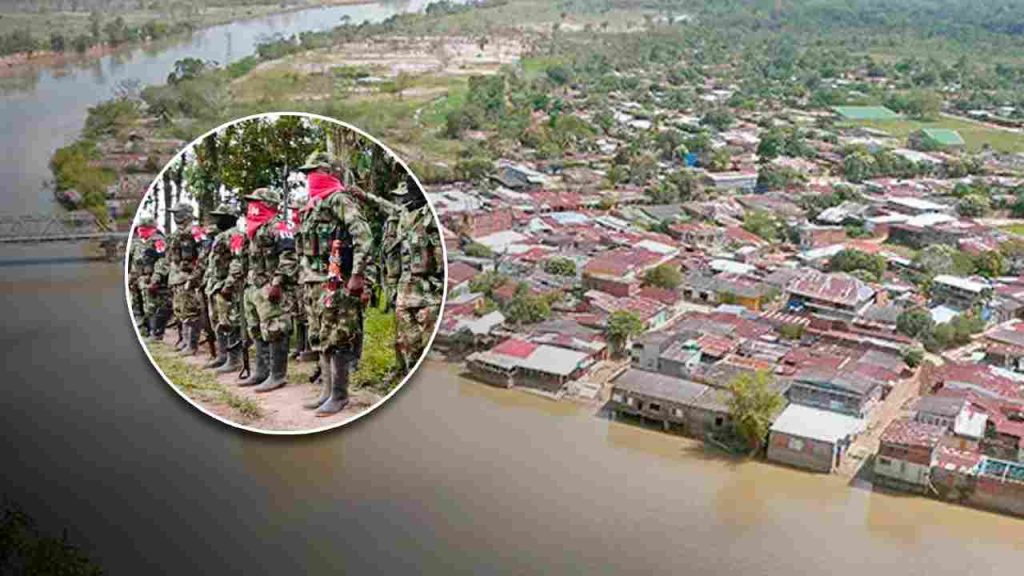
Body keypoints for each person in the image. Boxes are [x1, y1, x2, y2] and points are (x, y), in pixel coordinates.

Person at [295, 151, 372, 416]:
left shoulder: (338, 199)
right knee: (319, 336)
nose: (309, 178)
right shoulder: (312, 205)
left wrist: (358, 274)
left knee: (337, 337)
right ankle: (326, 391)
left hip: (336, 281)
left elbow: (363, 235)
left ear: (327, 172)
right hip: (313, 281)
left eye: (313, 172)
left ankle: (339, 395)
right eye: (307, 174)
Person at [238, 187, 298, 393]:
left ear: (269, 204)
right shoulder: (253, 228)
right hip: (253, 286)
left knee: (276, 329)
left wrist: (278, 282)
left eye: (257, 201)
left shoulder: (279, 225)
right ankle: (261, 372)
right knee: (256, 329)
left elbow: (289, 256)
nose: (252, 206)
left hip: (271, 286)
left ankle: (277, 375)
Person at [386, 181, 443, 373]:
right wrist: (392, 286)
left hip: (429, 291)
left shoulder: (429, 215)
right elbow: (396, 256)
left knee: (427, 341)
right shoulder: (403, 217)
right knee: (407, 340)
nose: (404, 198)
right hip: (405, 289)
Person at [202, 203, 245, 374]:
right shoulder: (221, 236)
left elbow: (237, 261)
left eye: (221, 216)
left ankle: (234, 360)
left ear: (230, 218)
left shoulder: (234, 235)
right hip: (215, 286)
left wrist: (228, 284)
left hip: (227, 287)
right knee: (218, 322)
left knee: (230, 322)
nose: (217, 220)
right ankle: (222, 356)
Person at [166, 202, 205, 356]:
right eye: (174, 213)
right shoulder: (176, 233)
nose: (175, 216)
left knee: (190, 312)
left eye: (178, 213)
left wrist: (195, 276)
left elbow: (204, 251)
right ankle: (184, 340)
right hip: (176, 277)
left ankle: (192, 344)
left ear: (187, 214)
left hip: (188, 277)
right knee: (180, 311)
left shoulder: (194, 231)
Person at [133, 216, 171, 340]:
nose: (140, 232)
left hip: (154, 280)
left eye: (143, 229)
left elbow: (163, 259)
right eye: (139, 229)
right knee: (143, 306)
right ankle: (145, 331)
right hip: (141, 279)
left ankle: (156, 333)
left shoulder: (158, 240)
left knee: (154, 307)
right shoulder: (140, 242)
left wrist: (157, 277)